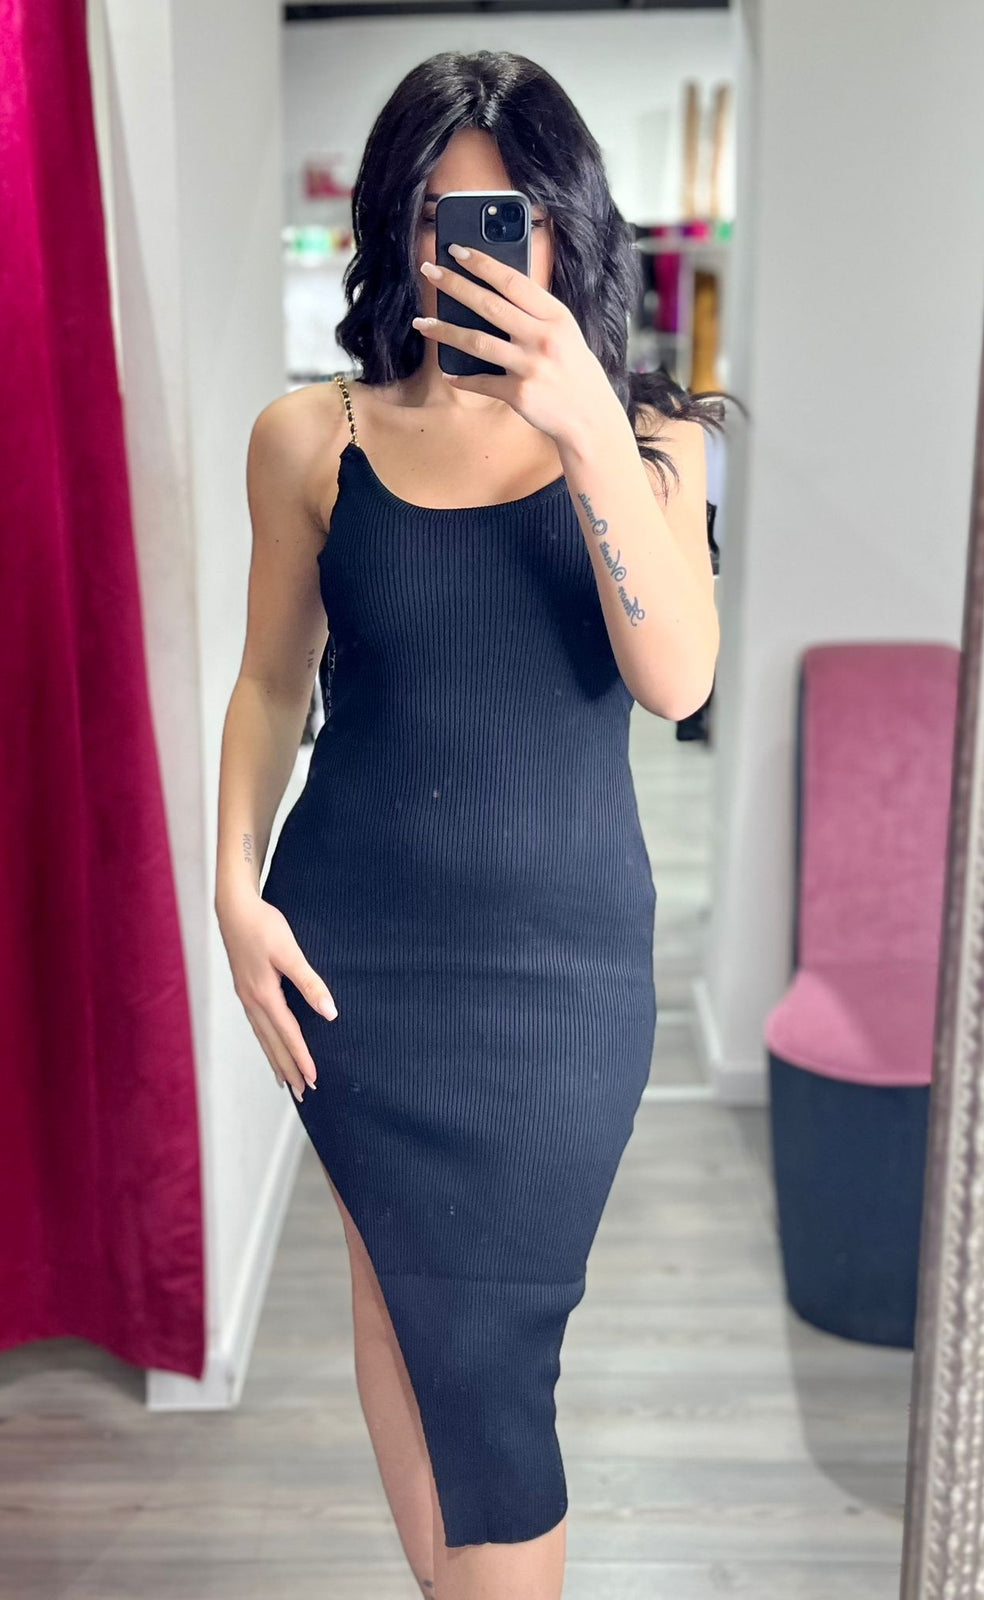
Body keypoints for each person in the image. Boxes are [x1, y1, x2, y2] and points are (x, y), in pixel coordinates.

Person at [215, 48, 725, 1600]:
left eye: (510, 217)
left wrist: (585, 431)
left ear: (568, 228)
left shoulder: (651, 445)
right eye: (438, 215)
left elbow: (677, 678)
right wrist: (232, 891)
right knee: (393, 1304)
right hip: (356, 966)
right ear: (393, 228)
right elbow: (268, 684)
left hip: (564, 988)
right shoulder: (311, 438)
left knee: (497, 1363)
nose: (476, 249)